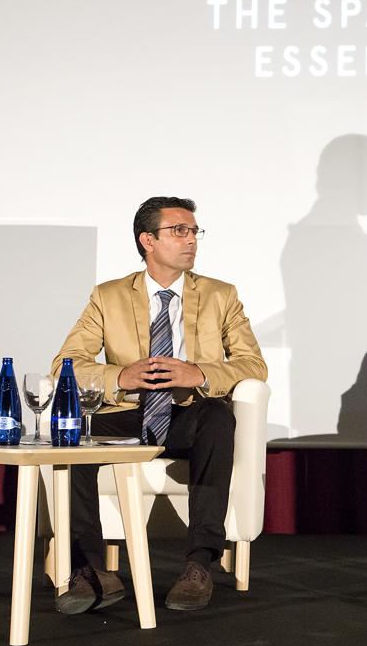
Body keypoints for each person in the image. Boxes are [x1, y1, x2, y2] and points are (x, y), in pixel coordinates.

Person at [52, 196, 267, 614]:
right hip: (129, 413)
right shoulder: (109, 295)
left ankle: (200, 563)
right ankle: (91, 570)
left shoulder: (221, 295)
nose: (191, 240)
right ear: (147, 240)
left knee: (217, 418)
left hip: (187, 415)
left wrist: (200, 374)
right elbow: (65, 364)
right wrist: (120, 377)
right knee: (72, 433)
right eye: (179, 231)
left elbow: (253, 365)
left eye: (194, 231)